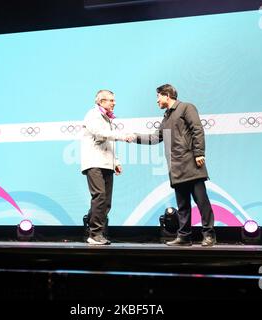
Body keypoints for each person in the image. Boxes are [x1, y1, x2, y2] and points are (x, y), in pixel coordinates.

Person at [131, 84, 216, 246]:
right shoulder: (166, 117)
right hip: (176, 168)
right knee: (182, 205)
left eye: (158, 97)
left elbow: (197, 129)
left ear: (167, 95)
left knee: (201, 201)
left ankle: (209, 234)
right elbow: (155, 138)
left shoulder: (186, 107)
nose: (157, 100)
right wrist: (134, 137)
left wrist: (199, 153)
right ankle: (184, 236)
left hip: (191, 163)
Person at [81, 90, 133, 245]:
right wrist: (122, 135)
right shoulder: (92, 115)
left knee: (106, 201)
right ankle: (95, 234)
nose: (114, 103)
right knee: (100, 197)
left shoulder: (107, 119)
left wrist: (115, 162)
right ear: (101, 102)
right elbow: (100, 133)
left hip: (106, 164)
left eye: (114, 100)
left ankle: (91, 226)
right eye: (111, 100)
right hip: (94, 162)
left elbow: (109, 143)